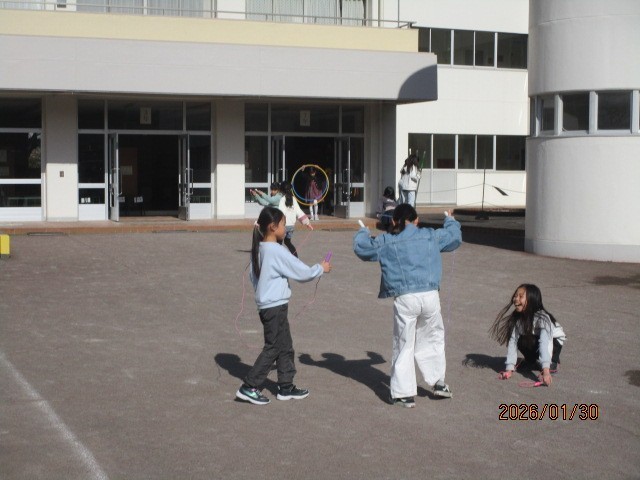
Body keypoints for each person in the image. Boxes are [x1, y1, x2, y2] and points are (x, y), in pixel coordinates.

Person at [353, 204, 462, 407]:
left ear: (394, 221)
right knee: (433, 338)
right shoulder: (430, 235)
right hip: (430, 295)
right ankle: (438, 382)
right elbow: (454, 237)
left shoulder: (388, 240)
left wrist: (363, 232)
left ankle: (404, 394)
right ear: (416, 220)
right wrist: (450, 219)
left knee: (404, 344)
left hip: (405, 298)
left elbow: (362, 248)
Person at [236, 206, 332, 405]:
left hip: (269, 305)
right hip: (274, 307)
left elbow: (255, 277)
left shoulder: (260, 248)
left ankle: (286, 386)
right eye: (283, 224)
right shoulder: (276, 250)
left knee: (285, 346)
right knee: (273, 347)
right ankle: (249, 386)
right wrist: (320, 268)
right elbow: (302, 272)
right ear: (272, 227)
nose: (286, 228)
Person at [490, 284, 566, 386]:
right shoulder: (518, 318)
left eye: (521, 296)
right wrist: (509, 369)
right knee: (521, 340)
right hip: (536, 338)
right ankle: (531, 360)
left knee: (543, 349)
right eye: (515, 296)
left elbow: (545, 343)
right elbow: (513, 342)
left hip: (553, 341)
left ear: (532, 301)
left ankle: (553, 361)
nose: (516, 299)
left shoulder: (543, 318)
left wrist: (546, 371)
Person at [278, 181, 313, 257]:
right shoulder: (293, 199)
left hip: (284, 226)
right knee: (287, 242)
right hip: (291, 226)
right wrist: (307, 223)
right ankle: (295, 257)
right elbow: (299, 212)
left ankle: (279, 258)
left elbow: (280, 213)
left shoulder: (282, 199)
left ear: (281, 190)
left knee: (278, 243)